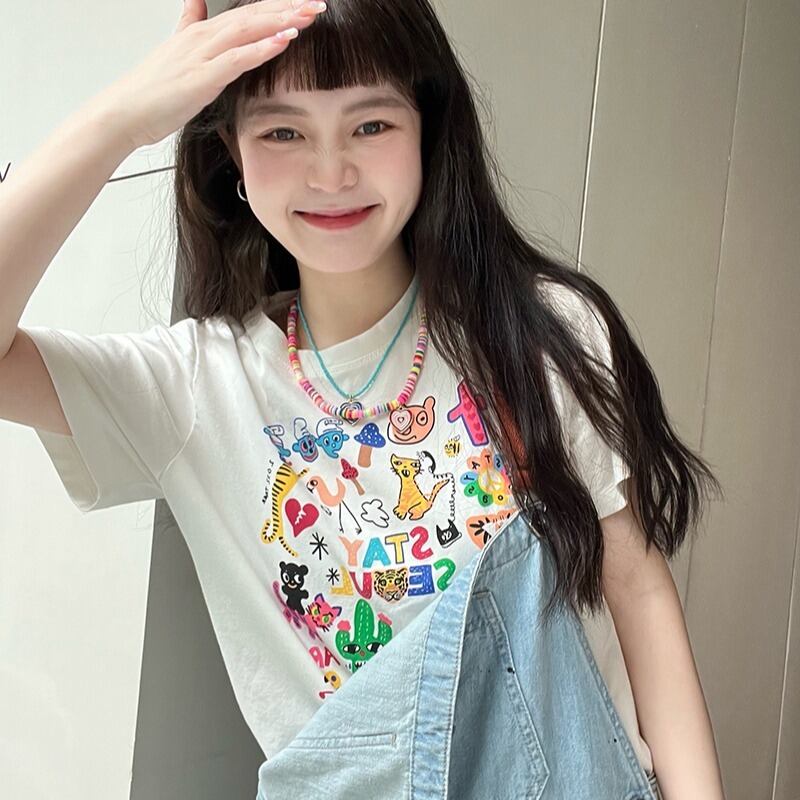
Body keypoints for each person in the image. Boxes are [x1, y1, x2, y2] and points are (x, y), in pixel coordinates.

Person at [0, 0, 726, 797]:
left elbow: (637, 591)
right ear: (232, 153)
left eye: (371, 125)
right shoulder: (198, 386)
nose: (331, 172)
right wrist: (120, 121)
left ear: (425, 130)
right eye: (282, 132)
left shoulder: (539, 332)